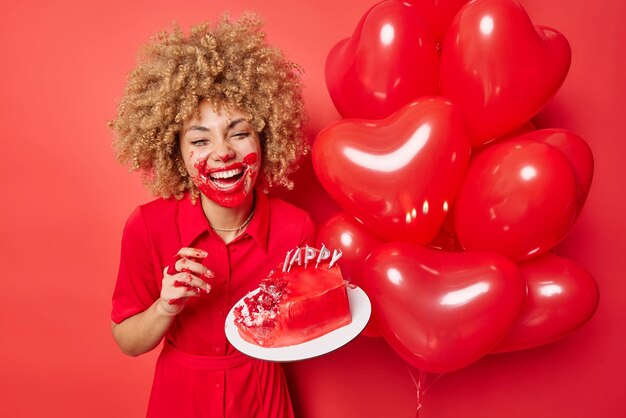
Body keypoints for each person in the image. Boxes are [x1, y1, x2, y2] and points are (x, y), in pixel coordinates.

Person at [109, 13, 314, 418]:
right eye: (200, 140)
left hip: (263, 401)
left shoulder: (297, 229)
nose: (223, 153)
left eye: (239, 133)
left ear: (265, 138)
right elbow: (127, 341)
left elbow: (305, 331)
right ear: (178, 155)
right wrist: (165, 307)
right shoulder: (148, 226)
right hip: (179, 401)